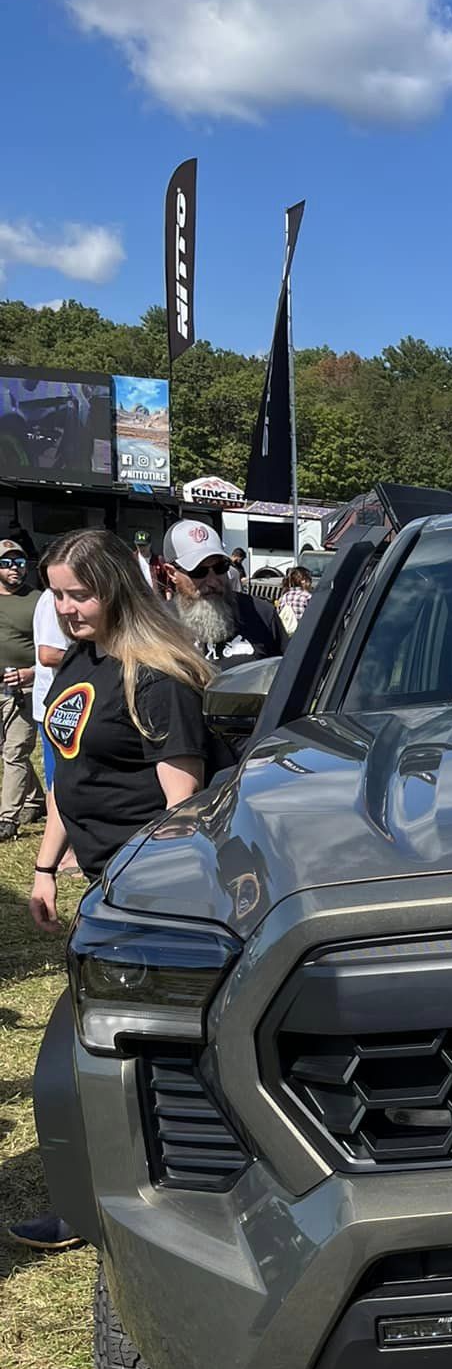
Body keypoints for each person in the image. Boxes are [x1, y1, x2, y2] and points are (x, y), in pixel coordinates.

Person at [9, 529, 213, 1251]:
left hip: (146, 898)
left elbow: (184, 811)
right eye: (56, 594)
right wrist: (44, 867)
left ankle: (134, 1209)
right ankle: (99, 1202)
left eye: (78, 592)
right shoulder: (78, 665)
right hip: (100, 887)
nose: (64, 607)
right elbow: (68, 776)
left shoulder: (155, 675)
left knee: (118, 1061)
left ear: (117, 587)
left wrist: (145, 907)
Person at [155, 520, 284, 666]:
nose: (213, 582)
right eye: (199, 571)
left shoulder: (262, 614)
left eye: (220, 567)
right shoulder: (157, 625)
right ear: (172, 573)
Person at [0, 539, 45, 838]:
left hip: (25, 690)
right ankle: (35, 799)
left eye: (19, 561)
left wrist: (32, 673)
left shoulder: (39, 600)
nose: (14, 567)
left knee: (15, 751)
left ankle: (7, 820)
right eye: (6, 562)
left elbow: (57, 647)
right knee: (6, 749)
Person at [275, 563, 314, 637]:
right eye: (309, 581)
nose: (310, 584)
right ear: (303, 581)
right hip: (303, 634)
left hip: (287, 634)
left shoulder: (284, 597)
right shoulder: (307, 597)